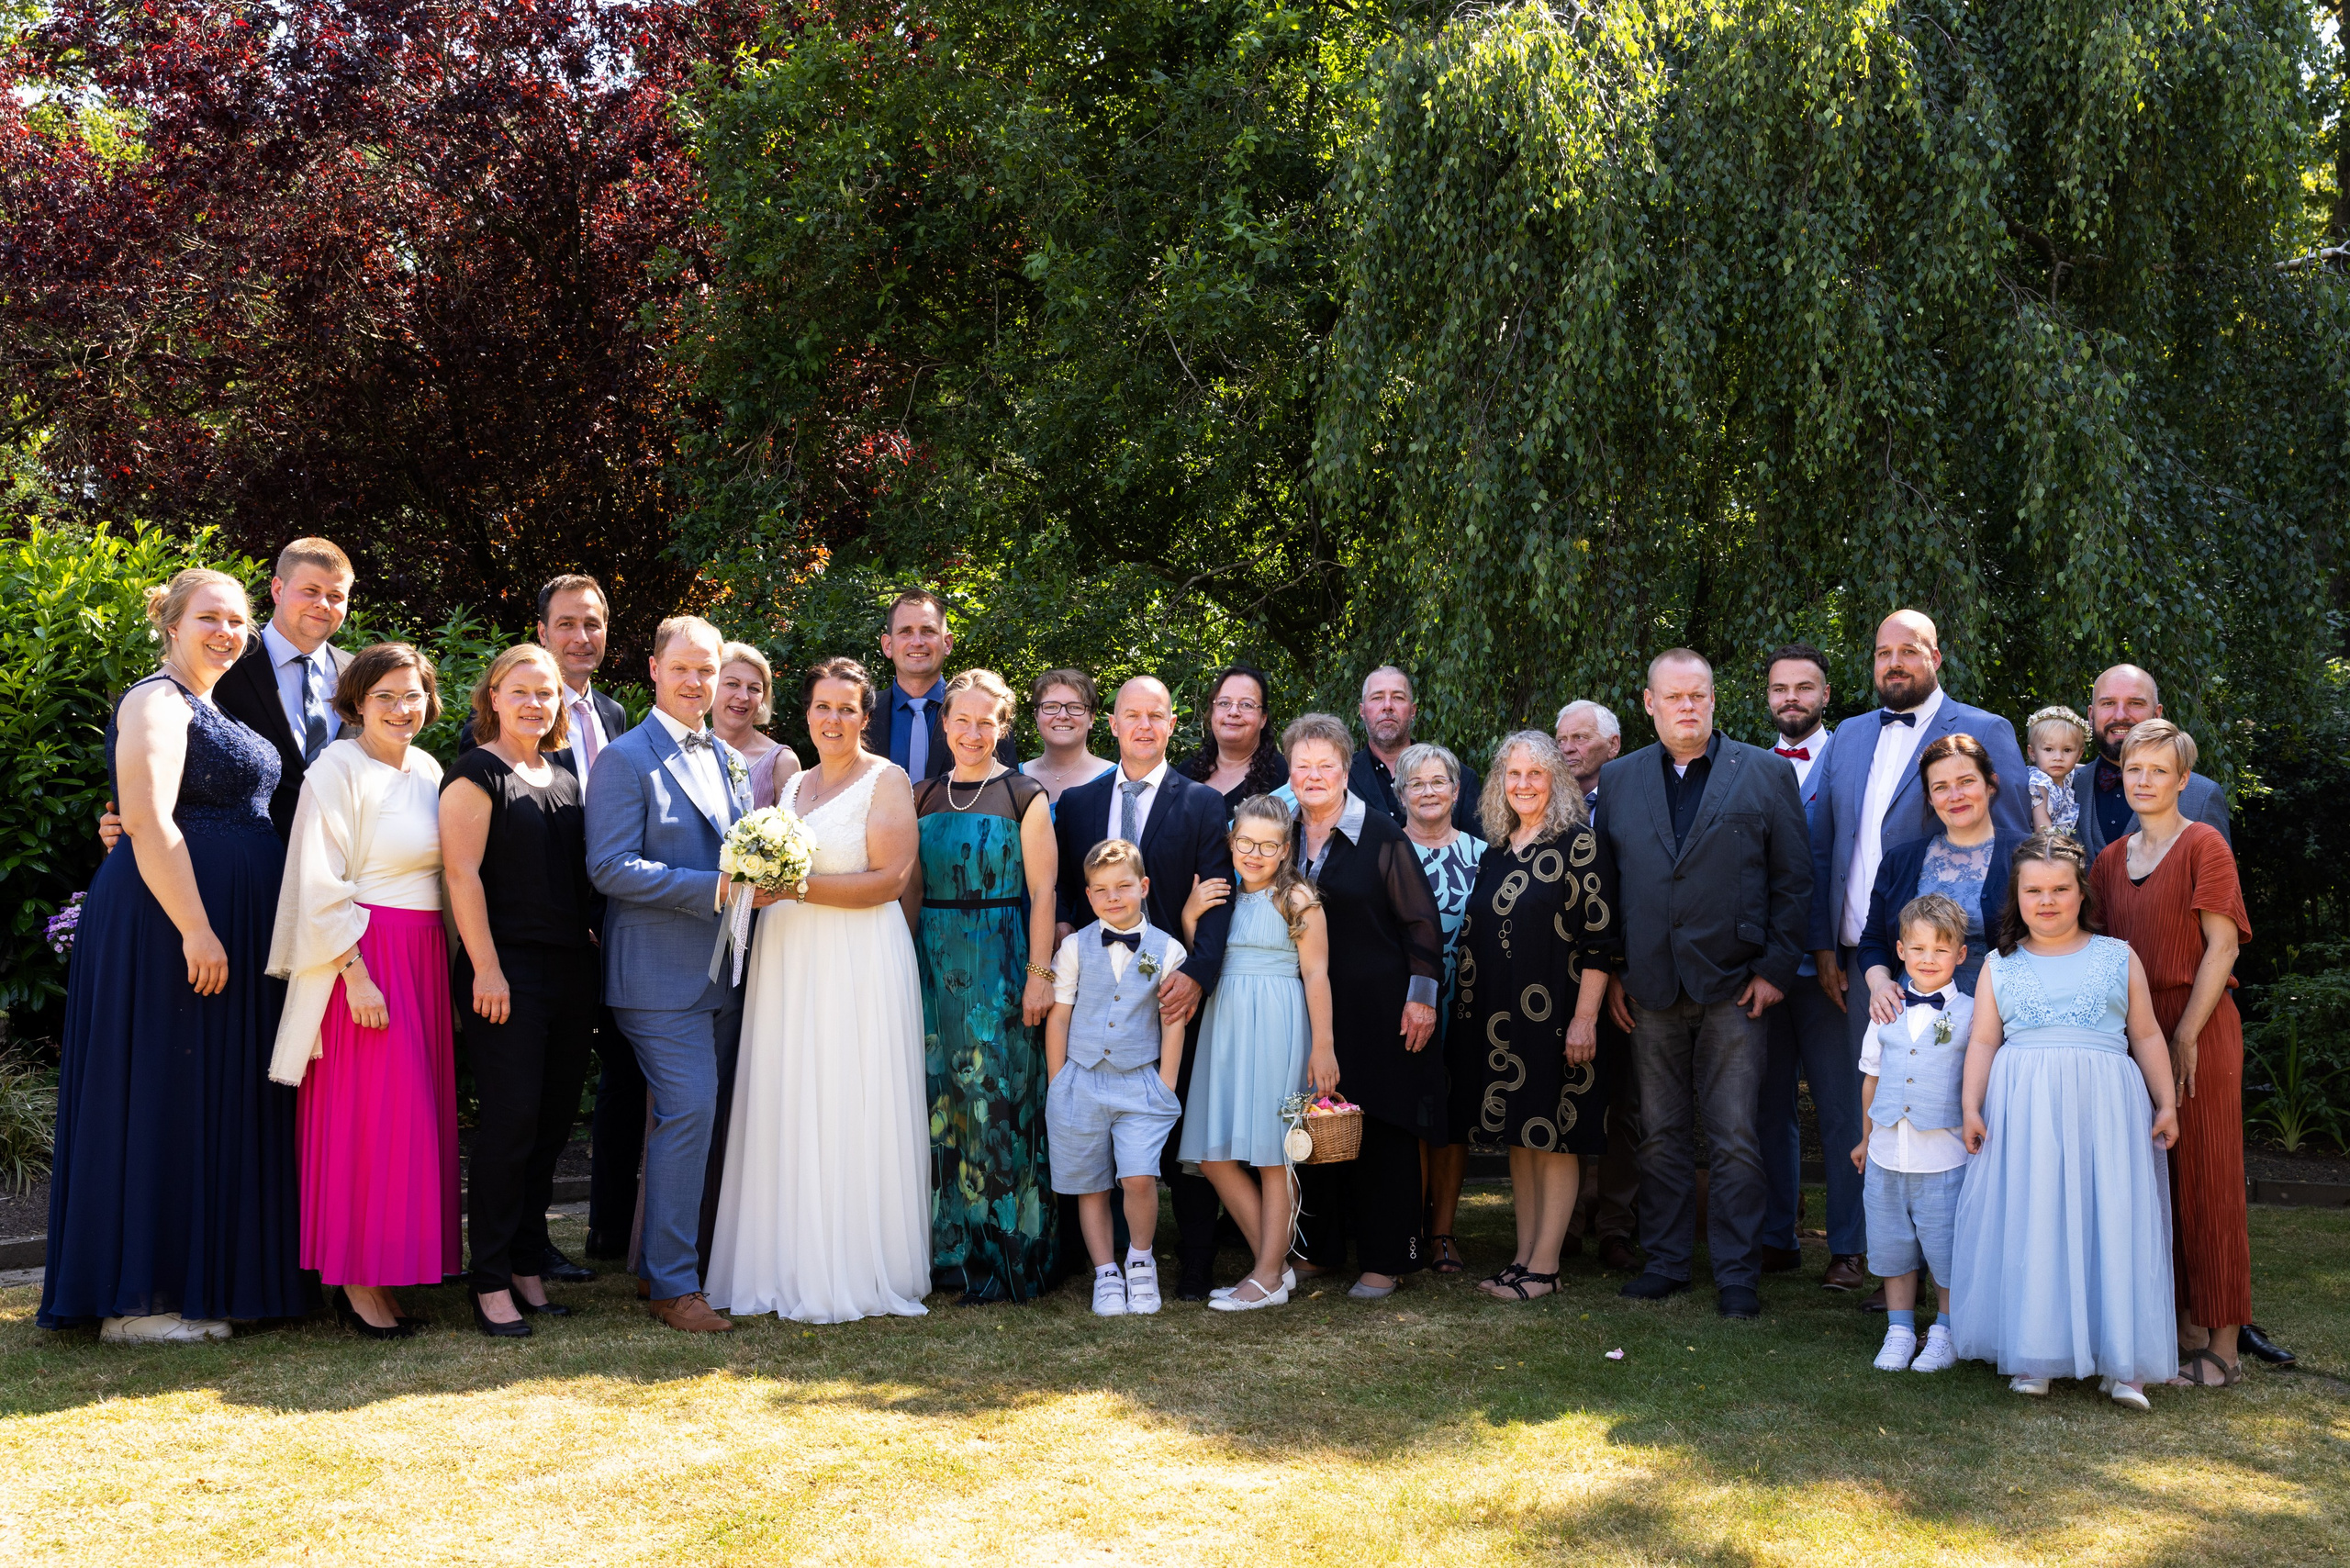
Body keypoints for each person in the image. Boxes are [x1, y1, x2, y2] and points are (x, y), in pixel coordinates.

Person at [39, 571, 307, 1342]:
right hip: (171, 926)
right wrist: (195, 926)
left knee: (216, 1096)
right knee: (163, 1090)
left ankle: (216, 1280)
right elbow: (150, 821)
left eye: (238, 621)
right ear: (172, 623)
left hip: (235, 924)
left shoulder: (219, 706)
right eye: (209, 618)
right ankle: (139, 1302)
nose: (226, 631)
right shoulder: (154, 700)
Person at [708, 656, 930, 1324]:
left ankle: (857, 1265)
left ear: (866, 718)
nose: (832, 720)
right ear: (804, 713)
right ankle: (782, 1260)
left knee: (847, 1093)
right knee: (788, 1094)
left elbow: (890, 880)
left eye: (847, 709)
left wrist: (793, 889)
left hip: (855, 957)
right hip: (789, 959)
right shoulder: (793, 783)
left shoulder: (885, 780)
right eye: (821, 707)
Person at [1592, 649, 1811, 1319]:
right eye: (1674, 697)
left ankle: (1737, 1273)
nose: (1688, 706)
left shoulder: (1766, 774)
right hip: (1650, 988)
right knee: (1658, 1133)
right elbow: (1607, 886)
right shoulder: (1620, 780)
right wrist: (1617, 973)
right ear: (1650, 703)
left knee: (1735, 1135)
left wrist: (1776, 970)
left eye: (1699, 695)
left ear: (1714, 700)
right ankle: (1664, 1262)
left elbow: (1795, 881)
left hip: (1735, 985)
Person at [1949, 832, 2180, 1408]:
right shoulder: (2000, 966)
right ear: (2016, 898)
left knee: (2110, 1214)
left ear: (2082, 895)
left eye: (2059, 889)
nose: (2046, 901)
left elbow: (2147, 1033)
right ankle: (2036, 1350)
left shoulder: (2117, 955)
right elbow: (1981, 1040)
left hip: (2105, 1104)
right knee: (2036, 1213)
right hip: (2023, 1105)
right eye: (2034, 890)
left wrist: (2167, 1100)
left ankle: (2122, 1360)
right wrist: (1970, 1106)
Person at [267, 642, 457, 1339]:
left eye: (412, 696)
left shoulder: (431, 770)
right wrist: (356, 975)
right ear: (356, 703)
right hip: (365, 960)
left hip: (423, 956)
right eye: (386, 697)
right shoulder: (338, 767)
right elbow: (320, 879)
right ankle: (355, 1282)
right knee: (366, 1118)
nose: (401, 709)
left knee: (410, 1117)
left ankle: (391, 1266)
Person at [585, 615, 750, 1334]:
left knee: (710, 1121)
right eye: (682, 668)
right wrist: (716, 886)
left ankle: (688, 1264)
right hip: (655, 977)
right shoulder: (625, 758)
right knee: (688, 1112)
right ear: (654, 670)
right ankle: (673, 1286)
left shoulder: (731, 760)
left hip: (728, 974)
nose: (696, 682)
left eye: (707, 671)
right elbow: (610, 866)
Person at [1053, 676, 1234, 1299]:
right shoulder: (1077, 804)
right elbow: (1066, 901)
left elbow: (1216, 899)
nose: (1145, 726)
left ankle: (1191, 1262)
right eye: (1133, 715)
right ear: (1114, 723)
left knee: (1174, 1130)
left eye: (1157, 715)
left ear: (1173, 722)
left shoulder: (1203, 804)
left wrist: (1197, 976)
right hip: (1097, 991)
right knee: (1090, 1138)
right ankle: (1095, 1263)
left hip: (1170, 984)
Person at [1808, 610, 2031, 1109]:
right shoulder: (1848, 734)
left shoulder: (1985, 729)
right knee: (1869, 1103)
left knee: (1964, 1109)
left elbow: (2016, 846)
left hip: (1968, 971)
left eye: (1908, 651)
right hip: (1864, 962)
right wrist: (1823, 942)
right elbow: (1825, 846)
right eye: (1883, 653)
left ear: (1935, 658)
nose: (1894, 663)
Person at [2089, 721, 2254, 1389]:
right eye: (2134, 770)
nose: (2145, 782)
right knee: (2154, 1183)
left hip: (2200, 1029)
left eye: (2159, 771)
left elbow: (2223, 946)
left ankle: (2224, 1346)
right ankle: (2176, 1329)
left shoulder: (2203, 845)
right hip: (2133, 1038)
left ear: (2183, 780)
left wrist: (2186, 1033)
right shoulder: (2107, 861)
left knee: (2209, 1178)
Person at [441, 644, 599, 1337]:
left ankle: (529, 1266)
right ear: (494, 696)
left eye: (548, 694)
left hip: (569, 974)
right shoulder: (474, 775)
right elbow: (462, 878)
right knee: (508, 1127)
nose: (536, 704)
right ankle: (490, 1281)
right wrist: (486, 968)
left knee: (549, 1126)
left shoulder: (562, 773)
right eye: (522, 691)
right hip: (504, 974)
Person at [904, 668, 1060, 1305]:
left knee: (998, 1107)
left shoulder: (1025, 795)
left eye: (985, 721)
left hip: (1000, 961)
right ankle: (947, 1253)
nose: (972, 733)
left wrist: (1040, 976)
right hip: (932, 963)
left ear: (1003, 727)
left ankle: (1006, 1254)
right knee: (938, 1103)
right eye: (960, 720)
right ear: (943, 724)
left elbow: (1045, 891)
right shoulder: (919, 796)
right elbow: (909, 889)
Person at [1282, 712, 1446, 1299]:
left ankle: (1385, 1258)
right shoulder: (1282, 835)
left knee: (1381, 1128)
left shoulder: (1380, 834)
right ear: (1291, 771)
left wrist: (1422, 1001)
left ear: (1346, 768)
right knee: (1312, 1126)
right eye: (1303, 766)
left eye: (1326, 765)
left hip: (1380, 1007)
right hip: (1301, 1006)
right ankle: (1317, 1250)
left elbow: (1422, 924)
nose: (1315, 776)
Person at [1450, 732, 1617, 1303]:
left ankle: (1545, 1269)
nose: (1523, 785)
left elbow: (1600, 942)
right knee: (1519, 1140)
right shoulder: (1497, 848)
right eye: (1513, 775)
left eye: (1536, 774)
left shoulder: (1579, 845)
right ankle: (1522, 1257)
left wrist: (1585, 1019)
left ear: (1557, 781)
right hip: (1500, 1020)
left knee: (1555, 1136)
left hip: (1558, 1018)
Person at [92, 537, 354, 847]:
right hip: (229, 861)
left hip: (342, 865)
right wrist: (128, 821)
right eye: (311, 591)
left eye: (336, 595)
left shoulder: (360, 675)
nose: (323, 603)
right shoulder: (218, 660)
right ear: (278, 589)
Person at [1179, 797, 1337, 1312]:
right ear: (1231, 842)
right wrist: (1189, 914)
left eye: (1269, 845)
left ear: (1285, 848)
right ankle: (1277, 1267)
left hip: (1277, 1021)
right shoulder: (1219, 895)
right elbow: (1198, 957)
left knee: (1274, 1156)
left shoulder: (1297, 899)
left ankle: (1267, 1274)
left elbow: (1316, 975)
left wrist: (1323, 1047)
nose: (1255, 853)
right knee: (1213, 1153)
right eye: (1246, 842)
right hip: (1225, 1022)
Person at [1046, 839, 1190, 1316]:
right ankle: (1105, 1272)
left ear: (1143, 887)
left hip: (1139, 1083)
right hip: (1081, 1082)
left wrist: (1165, 1085)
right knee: (1091, 1183)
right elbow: (1060, 1017)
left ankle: (1141, 1261)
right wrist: (1058, 1081)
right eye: (1102, 890)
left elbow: (1173, 1021)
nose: (1114, 897)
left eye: (1124, 887)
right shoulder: (1073, 947)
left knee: (1139, 1177)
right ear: (1088, 896)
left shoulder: (1167, 950)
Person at [1754, 644, 1856, 1283]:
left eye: (1804, 688)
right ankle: (1776, 1236)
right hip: (1765, 967)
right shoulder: (1748, 768)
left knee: (1842, 1103)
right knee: (1767, 1108)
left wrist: (1829, 949)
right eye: (1780, 689)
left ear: (1824, 695)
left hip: (1834, 969)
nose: (1791, 698)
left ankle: (1848, 1246)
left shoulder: (1852, 764)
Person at [1851, 893, 1974, 1375]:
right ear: (1900, 950)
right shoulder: (1885, 1009)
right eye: (1918, 949)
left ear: (1960, 955)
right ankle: (1900, 1329)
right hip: (1885, 1154)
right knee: (1891, 1244)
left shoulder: (1970, 1015)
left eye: (1941, 951)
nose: (1928, 959)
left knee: (1945, 1248)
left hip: (1943, 1157)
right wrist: (1864, 1139)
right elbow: (1872, 1079)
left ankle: (1944, 1330)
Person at [1554, 699, 1639, 1273]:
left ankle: (1617, 1227)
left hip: (1629, 978)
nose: (1569, 748)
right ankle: (1566, 1221)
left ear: (1612, 744)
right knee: (1567, 1098)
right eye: (1562, 738)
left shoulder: (1636, 798)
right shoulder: (1544, 805)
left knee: (1626, 1106)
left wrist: (1619, 974)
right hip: (1561, 981)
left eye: (1581, 738)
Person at [1397, 742, 1487, 1275]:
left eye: (1438, 782)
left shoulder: (1485, 855)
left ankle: (1443, 1233)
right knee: (1409, 1121)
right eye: (1417, 783)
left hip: (1468, 1004)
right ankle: (1405, 1226)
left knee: (1452, 1123)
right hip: (1402, 1005)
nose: (1428, 792)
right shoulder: (1386, 851)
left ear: (1456, 790)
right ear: (1401, 794)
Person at [1856, 734, 2022, 1006]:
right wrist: (1880, 985)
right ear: (1930, 798)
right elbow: (1873, 942)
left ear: (1991, 783)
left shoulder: (2026, 856)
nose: (1955, 796)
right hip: (1912, 1011)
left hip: (1999, 1013)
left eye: (1966, 781)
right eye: (1941, 787)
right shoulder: (1900, 861)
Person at [2070, 665, 2232, 858]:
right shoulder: (2065, 785)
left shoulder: (2203, 796)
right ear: (2091, 714)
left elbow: (2218, 885)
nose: (2120, 715)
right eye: (2108, 703)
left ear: (2157, 714)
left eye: (2135, 703)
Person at [865, 589, 1015, 780]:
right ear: (887, 645)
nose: (917, 642)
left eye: (928, 631)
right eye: (906, 632)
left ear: (948, 644)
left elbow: (1007, 791)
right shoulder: (863, 712)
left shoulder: (987, 712)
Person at [1354, 666, 1481, 834]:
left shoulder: (1460, 778)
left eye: (1398, 697)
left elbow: (1478, 854)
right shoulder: (1340, 778)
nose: (1387, 706)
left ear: (1413, 711)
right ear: (1362, 711)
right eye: (1377, 697)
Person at [1175, 664, 1288, 811]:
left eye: (1246, 705)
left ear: (1263, 719)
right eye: (1224, 703)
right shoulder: (1184, 774)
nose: (1233, 712)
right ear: (1212, 713)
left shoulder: (1283, 777)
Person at [716, 641, 801, 808]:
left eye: (754, 689)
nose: (743, 697)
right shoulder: (690, 750)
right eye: (732, 684)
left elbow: (793, 832)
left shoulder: (782, 763)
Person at [1021, 668, 1116, 805]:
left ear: (1091, 718)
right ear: (1036, 716)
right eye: (1051, 707)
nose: (1063, 716)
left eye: (1075, 707)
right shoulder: (1013, 776)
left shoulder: (1115, 780)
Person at [2025, 705, 2087, 836]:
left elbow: (2085, 769)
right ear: (2032, 753)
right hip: (2045, 847)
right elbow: (2042, 829)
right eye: (2048, 749)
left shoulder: (2066, 775)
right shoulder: (2040, 782)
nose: (2058, 758)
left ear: (2079, 755)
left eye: (2067, 750)